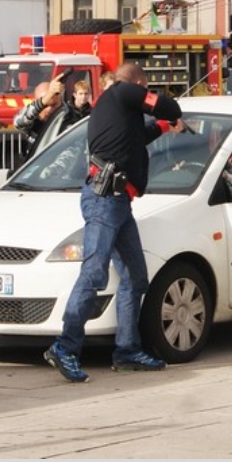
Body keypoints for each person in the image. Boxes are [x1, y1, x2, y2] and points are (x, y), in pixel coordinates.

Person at [44, 62, 186, 383]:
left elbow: (137, 137)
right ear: (137, 83)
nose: (145, 93)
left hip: (118, 202)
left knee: (136, 277)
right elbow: (170, 105)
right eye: (145, 87)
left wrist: (165, 128)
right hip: (105, 199)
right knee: (93, 273)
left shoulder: (118, 107)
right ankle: (65, 347)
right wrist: (168, 112)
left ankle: (126, 350)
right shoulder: (123, 92)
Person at [14, 71, 69, 164]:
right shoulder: (32, 121)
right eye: (45, 105)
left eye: (54, 105)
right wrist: (45, 99)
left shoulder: (68, 120)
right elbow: (18, 123)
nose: (49, 109)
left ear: (60, 102)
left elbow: (69, 156)